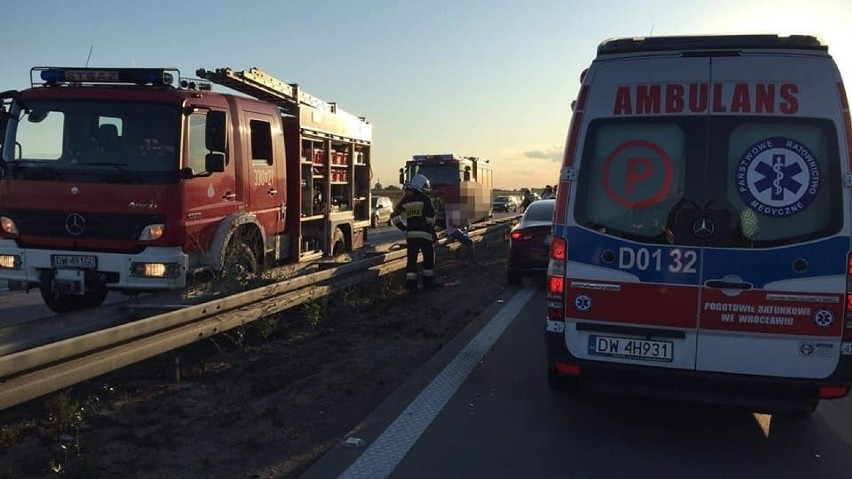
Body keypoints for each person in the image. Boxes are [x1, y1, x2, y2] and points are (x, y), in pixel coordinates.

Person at [391, 174, 438, 293]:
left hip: (411, 235)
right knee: (428, 259)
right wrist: (428, 226)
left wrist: (403, 227)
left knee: (411, 261)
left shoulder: (406, 199)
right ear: (422, 186)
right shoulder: (425, 199)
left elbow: (395, 215)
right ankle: (427, 284)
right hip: (425, 235)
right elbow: (431, 216)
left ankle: (411, 286)